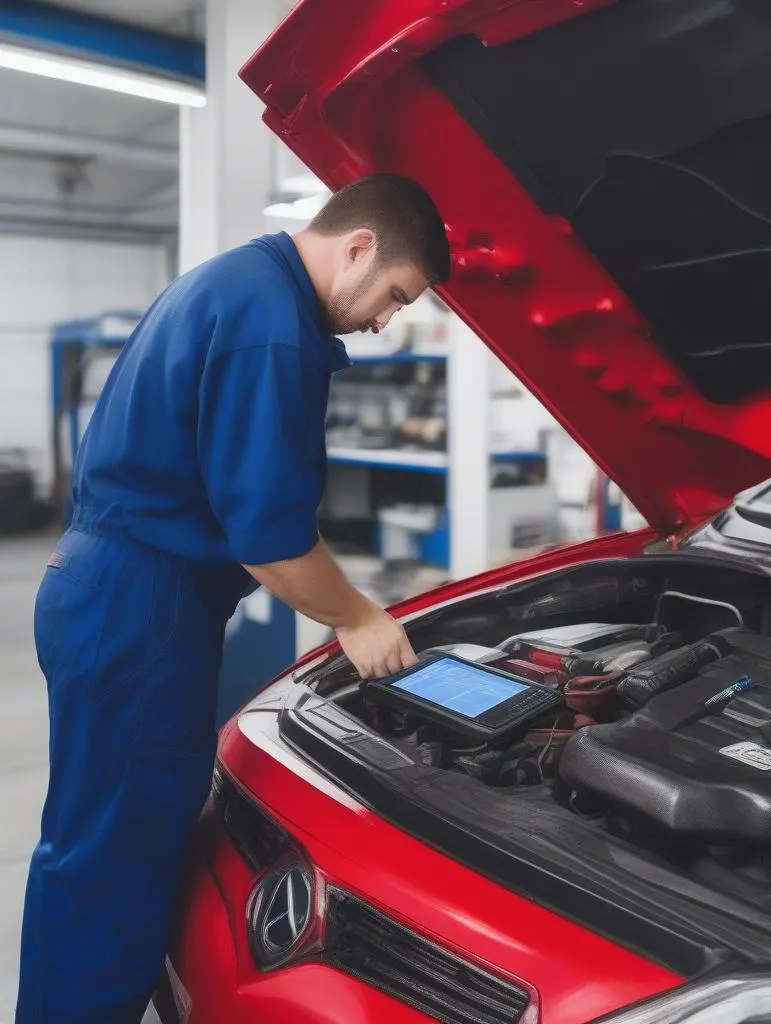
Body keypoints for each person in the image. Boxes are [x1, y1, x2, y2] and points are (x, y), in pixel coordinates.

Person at [16, 174, 451, 1024]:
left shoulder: (227, 280)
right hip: (142, 606)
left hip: (102, 584)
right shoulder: (275, 329)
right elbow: (273, 541)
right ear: (359, 245)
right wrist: (357, 615)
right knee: (111, 864)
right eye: (395, 296)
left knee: (95, 845)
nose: (383, 321)